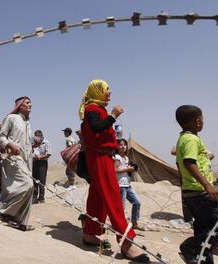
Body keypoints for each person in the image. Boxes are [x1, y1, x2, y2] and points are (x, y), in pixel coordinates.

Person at [79, 79, 149, 263]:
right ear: (97, 90)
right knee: (112, 195)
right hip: (100, 157)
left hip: (102, 156)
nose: (109, 92)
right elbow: (96, 128)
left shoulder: (97, 108)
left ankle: (90, 234)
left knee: (98, 197)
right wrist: (113, 116)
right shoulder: (93, 109)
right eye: (106, 89)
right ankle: (126, 241)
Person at [175, 105, 218, 264]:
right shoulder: (191, 139)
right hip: (200, 193)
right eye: (202, 119)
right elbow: (189, 162)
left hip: (192, 192)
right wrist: (207, 185)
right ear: (198, 121)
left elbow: (181, 164)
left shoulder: (184, 139)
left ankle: (201, 260)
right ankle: (189, 248)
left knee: (204, 230)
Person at [0, 96, 35, 231]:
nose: (30, 104)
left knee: (30, 188)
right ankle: (6, 212)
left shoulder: (28, 122)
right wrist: (10, 144)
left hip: (27, 158)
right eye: (27, 102)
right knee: (27, 184)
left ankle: (21, 222)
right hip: (14, 156)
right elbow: (1, 136)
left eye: (31, 102)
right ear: (19, 106)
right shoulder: (11, 118)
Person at [114, 138, 142, 230]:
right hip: (120, 185)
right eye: (121, 145)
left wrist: (132, 169)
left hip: (128, 185)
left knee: (137, 202)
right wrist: (127, 169)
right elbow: (115, 170)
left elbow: (125, 170)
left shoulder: (126, 158)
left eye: (125, 145)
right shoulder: (117, 157)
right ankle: (119, 226)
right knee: (121, 208)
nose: (123, 146)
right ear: (117, 146)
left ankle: (134, 222)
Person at [32, 130, 51, 204]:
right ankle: (34, 197)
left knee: (42, 180)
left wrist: (40, 157)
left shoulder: (46, 142)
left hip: (42, 163)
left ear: (41, 137)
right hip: (34, 162)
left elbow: (49, 154)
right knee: (34, 180)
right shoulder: (33, 142)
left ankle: (41, 197)